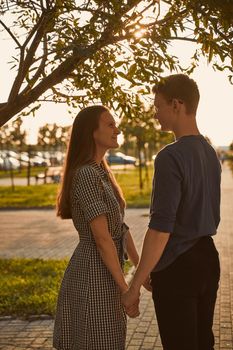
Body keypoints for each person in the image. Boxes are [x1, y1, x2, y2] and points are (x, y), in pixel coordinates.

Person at [122, 74, 221, 350]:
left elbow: (161, 229)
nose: (155, 114)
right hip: (208, 260)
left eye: (158, 106)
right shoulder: (210, 153)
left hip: (179, 268)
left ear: (176, 105)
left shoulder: (170, 156)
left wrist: (134, 286)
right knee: (203, 343)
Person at [53, 105, 140, 350]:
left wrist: (140, 270)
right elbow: (102, 239)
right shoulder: (86, 175)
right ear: (92, 132)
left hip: (107, 272)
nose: (117, 129)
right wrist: (126, 289)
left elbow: (120, 229)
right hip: (93, 275)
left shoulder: (101, 172)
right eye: (110, 124)